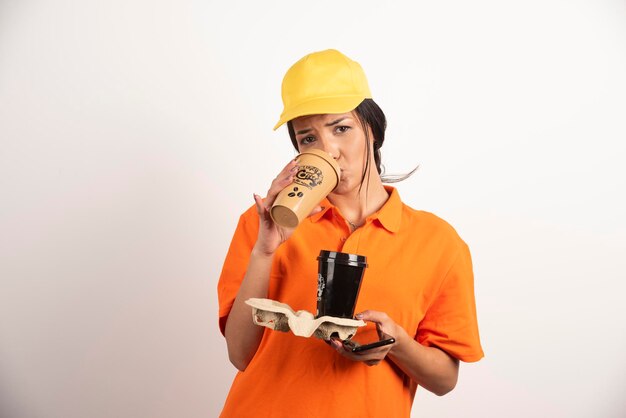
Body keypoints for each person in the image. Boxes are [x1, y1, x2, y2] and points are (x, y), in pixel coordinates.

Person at [217, 49, 484, 417]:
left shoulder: (439, 243)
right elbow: (239, 355)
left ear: (372, 131)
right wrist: (265, 250)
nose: (330, 151)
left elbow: (444, 380)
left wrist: (396, 344)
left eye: (341, 128)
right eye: (308, 138)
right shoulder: (264, 222)